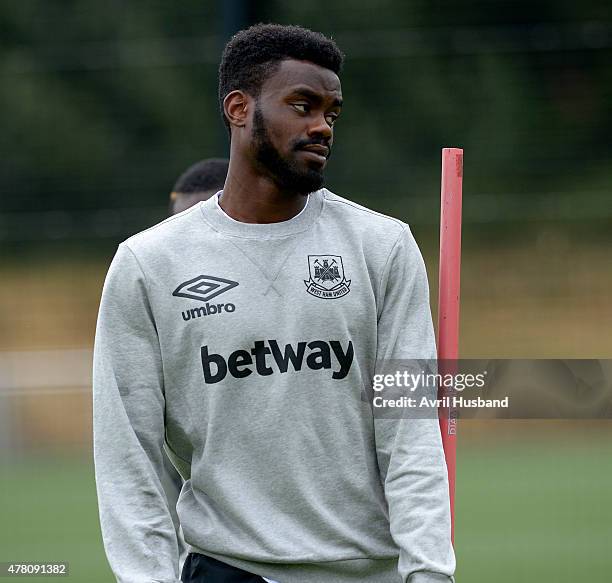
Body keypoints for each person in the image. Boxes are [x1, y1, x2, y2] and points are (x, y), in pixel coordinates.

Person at [93, 23, 455, 583]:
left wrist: (430, 571)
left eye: (331, 112)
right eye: (302, 105)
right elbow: (128, 455)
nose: (322, 126)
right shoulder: (148, 264)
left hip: (368, 572)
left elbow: (411, 431)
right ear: (239, 108)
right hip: (229, 569)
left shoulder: (382, 245)